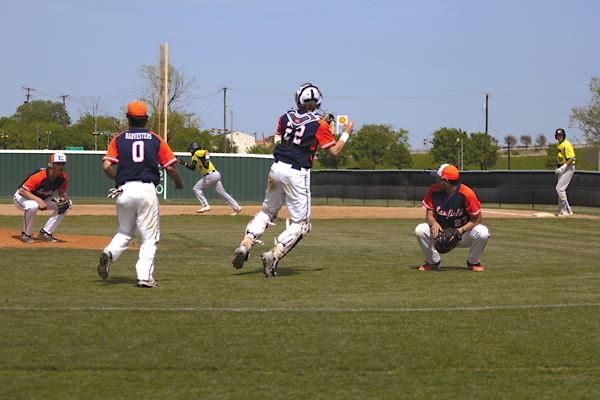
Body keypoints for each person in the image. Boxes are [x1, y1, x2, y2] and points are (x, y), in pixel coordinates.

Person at [232, 82, 354, 277]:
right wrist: (345, 134)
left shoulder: (285, 116)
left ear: (298, 98)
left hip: (277, 167)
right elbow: (333, 152)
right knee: (302, 223)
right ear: (319, 101)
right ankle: (276, 252)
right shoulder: (320, 124)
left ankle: (246, 243)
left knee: (267, 212)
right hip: (297, 173)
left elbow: (283, 136)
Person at [98, 101, 184, 287]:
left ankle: (110, 253)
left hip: (124, 190)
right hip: (146, 190)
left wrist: (117, 181)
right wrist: (178, 182)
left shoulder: (118, 139)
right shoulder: (156, 139)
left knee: (125, 232)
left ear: (128, 118)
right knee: (149, 237)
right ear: (146, 119)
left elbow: (106, 166)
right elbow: (170, 168)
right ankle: (144, 277)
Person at [414, 163, 490, 271]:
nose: (436, 180)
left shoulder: (467, 194)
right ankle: (432, 262)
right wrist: (434, 223)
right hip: (440, 233)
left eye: (438, 178)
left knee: (483, 232)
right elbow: (429, 216)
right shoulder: (434, 190)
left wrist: (459, 230)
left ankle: (474, 262)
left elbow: (478, 219)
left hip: (463, 234)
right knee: (420, 230)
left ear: (446, 181)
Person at [13, 152, 72, 243]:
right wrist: (39, 200)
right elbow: (22, 191)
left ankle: (45, 232)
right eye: (58, 164)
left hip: (42, 198)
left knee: (67, 203)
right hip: (23, 197)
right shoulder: (40, 175)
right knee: (32, 206)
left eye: (63, 164)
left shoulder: (63, 177)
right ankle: (26, 234)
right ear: (51, 164)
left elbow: (62, 192)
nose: (61, 166)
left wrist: (64, 200)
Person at [179, 142, 242, 215]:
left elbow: (206, 152)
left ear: (195, 149)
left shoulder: (197, 153)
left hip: (210, 175)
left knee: (196, 188)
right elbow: (192, 168)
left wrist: (207, 160)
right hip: (214, 175)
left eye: (191, 149)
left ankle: (205, 205)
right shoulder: (194, 158)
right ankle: (236, 207)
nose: (190, 151)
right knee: (222, 193)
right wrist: (184, 164)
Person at [554, 128, 575, 217]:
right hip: (562, 168)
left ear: (564, 136)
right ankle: (560, 209)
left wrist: (563, 167)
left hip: (568, 168)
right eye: (558, 136)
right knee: (560, 190)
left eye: (561, 135)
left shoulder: (566, 144)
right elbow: (561, 157)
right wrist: (557, 167)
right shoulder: (559, 145)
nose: (559, 137)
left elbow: (572, 158)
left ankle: (567, 210)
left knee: (559, 189)